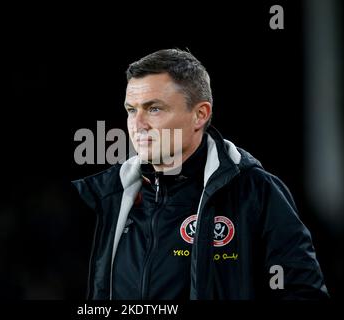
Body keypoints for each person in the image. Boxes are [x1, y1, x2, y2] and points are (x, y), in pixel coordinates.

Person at [72, 49, 329, 300]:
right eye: (131, 110)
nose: (137, 125)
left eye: (154, 109)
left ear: (199, 115)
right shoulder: (106, 195)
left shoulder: (256, 193)